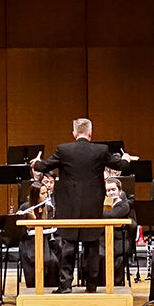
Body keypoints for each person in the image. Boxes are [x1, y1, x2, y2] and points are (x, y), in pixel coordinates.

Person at [31, 117, 132, 292]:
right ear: (90, 132)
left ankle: (65, 285)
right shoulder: (101, 150)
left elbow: (44, 166)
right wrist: (126, 159)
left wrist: (36, 162)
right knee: (92, 245)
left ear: (74, 133)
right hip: (92, 206)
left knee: (68, 244)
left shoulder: (64, 149)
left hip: (68, 206)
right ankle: (91, 286)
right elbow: (120, 165)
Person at [18, 174, 66, 291]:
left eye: (46, 193)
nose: (46, 196)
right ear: (35, 195)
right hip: (29, 243)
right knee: (38, 261)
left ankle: (51, 288)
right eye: (43, 194)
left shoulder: (48, 207)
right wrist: (31, 218)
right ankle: (35, 289)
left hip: (44, 241)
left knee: (52, 261)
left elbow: (48, 226)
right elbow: (24, 230)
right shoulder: (25, 207)